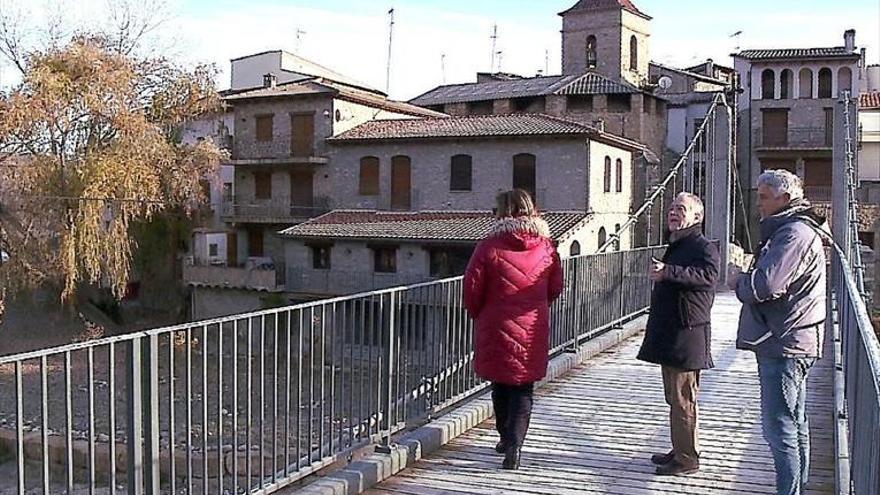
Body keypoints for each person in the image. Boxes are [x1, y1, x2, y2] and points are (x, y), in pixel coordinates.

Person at [732, 169, 826, 495]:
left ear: (784, 199)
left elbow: (765, 285)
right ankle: (798, 488)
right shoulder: (799, 230)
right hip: (795, 338)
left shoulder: (792, 234)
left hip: (784, 342)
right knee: (795, 422)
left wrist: (737, 279)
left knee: (779, 428)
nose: (757, 203)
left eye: (762, 197)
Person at [463, 189, 563, 470]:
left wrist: (479, 314)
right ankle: (516, 447)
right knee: (523, 387)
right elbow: (555, 287)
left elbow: (472, 289)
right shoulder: (547, 247)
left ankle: (505, 438)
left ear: (502, 212)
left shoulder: (488, 247)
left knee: (500, 384)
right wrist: (536, 306)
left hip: (495, 324)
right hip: (532, 325)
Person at [637, 192, 720, 476]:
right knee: (674, 398)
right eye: (671, 207)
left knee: (683, 398)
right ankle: (681, 448)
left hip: (687, 333)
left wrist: (668, 271)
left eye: (680, 209)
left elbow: (709, 277)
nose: (673, 212)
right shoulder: (680, 243)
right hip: (674, 331)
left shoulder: (703, 246)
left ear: (696, 217)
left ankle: (687, 459)